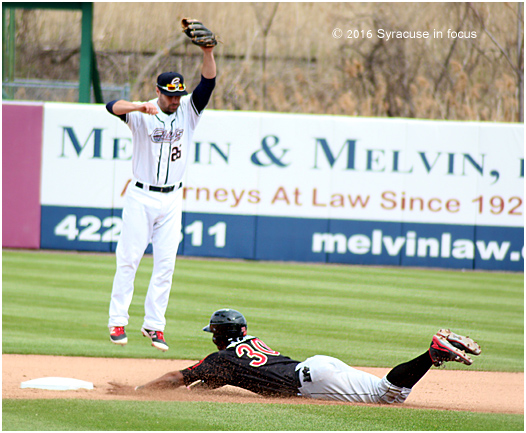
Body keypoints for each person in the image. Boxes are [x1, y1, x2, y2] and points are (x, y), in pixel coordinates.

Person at [111, 309, 481, 403]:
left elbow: (179, 377)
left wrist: (141, 390)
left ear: (219, 336)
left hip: (310, 381)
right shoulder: (245, 348)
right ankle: (431, 355)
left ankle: (432, 352)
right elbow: (212, 382)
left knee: (387, 394)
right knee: (391, 393)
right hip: (317, 365)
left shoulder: (221, 360)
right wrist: (199, 391)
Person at [105, 41, 216, 352]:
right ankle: (117, 320)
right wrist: (139, 106)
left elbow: (208, 83)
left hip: (172, 200)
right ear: (158, 91)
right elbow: (110, 105)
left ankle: (155, 326)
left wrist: (208, 53)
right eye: (169, 94)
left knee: (166, 264)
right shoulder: (143, 113)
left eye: (178, 95)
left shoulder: (188, 114)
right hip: (141, 196)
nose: (175, 99)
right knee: (129, 260)